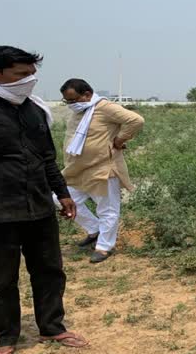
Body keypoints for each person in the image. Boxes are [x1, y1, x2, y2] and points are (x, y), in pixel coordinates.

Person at [0, 46, 88, 354]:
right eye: (21, 75)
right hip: (0, 211)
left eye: (31, 73)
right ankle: (6, 337)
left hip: (38, 206)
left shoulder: (34, 110)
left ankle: (51, 327)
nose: (29, 80)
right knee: (1, 279)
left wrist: (62, 194)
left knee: (49, 270)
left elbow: (47, 158)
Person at [59, 79, 144, 263]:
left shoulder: (105, 107)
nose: (71, 105)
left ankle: (105, 246)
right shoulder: (78, 112)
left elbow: (135, 120)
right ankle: (95, 229)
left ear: (87, 94)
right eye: (67, 101)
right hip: (77, 170)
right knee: (60, 199)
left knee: (107, 209)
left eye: (73, 100)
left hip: (103, 167)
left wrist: (120, 140)